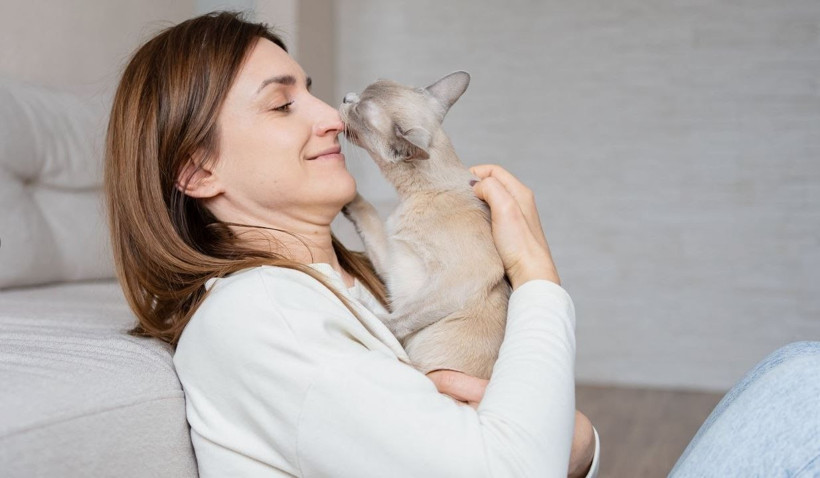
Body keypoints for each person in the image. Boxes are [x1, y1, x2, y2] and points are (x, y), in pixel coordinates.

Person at [104, 11, 819, 478]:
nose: (330, 116)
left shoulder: (340, 285)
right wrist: (536, 277)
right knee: (804, 385)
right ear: (197, 169)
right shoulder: (264, 319)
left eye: (314, 91)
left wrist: (571, 443)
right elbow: (519, 466)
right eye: (284, 103)